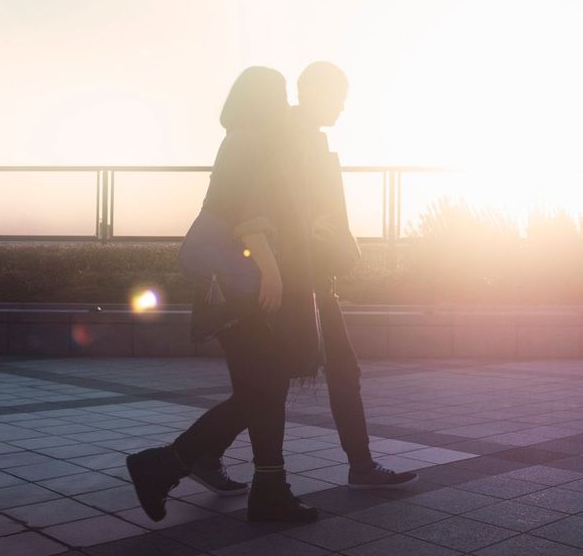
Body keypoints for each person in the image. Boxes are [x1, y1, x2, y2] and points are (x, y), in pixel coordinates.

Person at [186, 62, 418, 494]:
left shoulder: (309, 139)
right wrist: (293, 239)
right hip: (292, 278)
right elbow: (257, 199)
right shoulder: (277, 134)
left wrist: (333, 243)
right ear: (310, 91)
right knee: (271, 384)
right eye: (338, 96)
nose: (343, 106)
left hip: (312, 275)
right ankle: (194, 454)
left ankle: (358, 464)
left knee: (329, 372)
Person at [126, 66, 322, 523]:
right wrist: (270, 269)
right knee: (263, 392)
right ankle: (168, 465)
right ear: (261, 99)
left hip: (242, 287)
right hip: (246, 288)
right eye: (279, 94)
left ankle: (256, 485)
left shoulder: (245, 140)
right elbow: (243, 210)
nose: (285, 102)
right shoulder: (247, 141)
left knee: (261, 392)